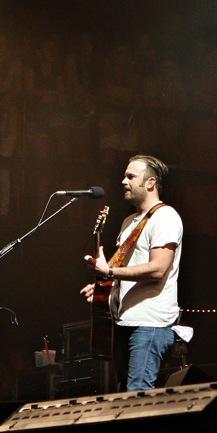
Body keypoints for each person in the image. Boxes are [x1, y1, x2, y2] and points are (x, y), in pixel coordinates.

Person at [81, 154, 186, 391]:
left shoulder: (165, 216)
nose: (123, 181)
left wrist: (109, 271)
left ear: (150, 182)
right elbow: (126, 270)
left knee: (138, 395)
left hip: (150, 323)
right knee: (122, 398)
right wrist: (103, 287)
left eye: (131, 176)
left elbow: (158, 269)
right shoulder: (129, 221)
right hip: (124, 321)